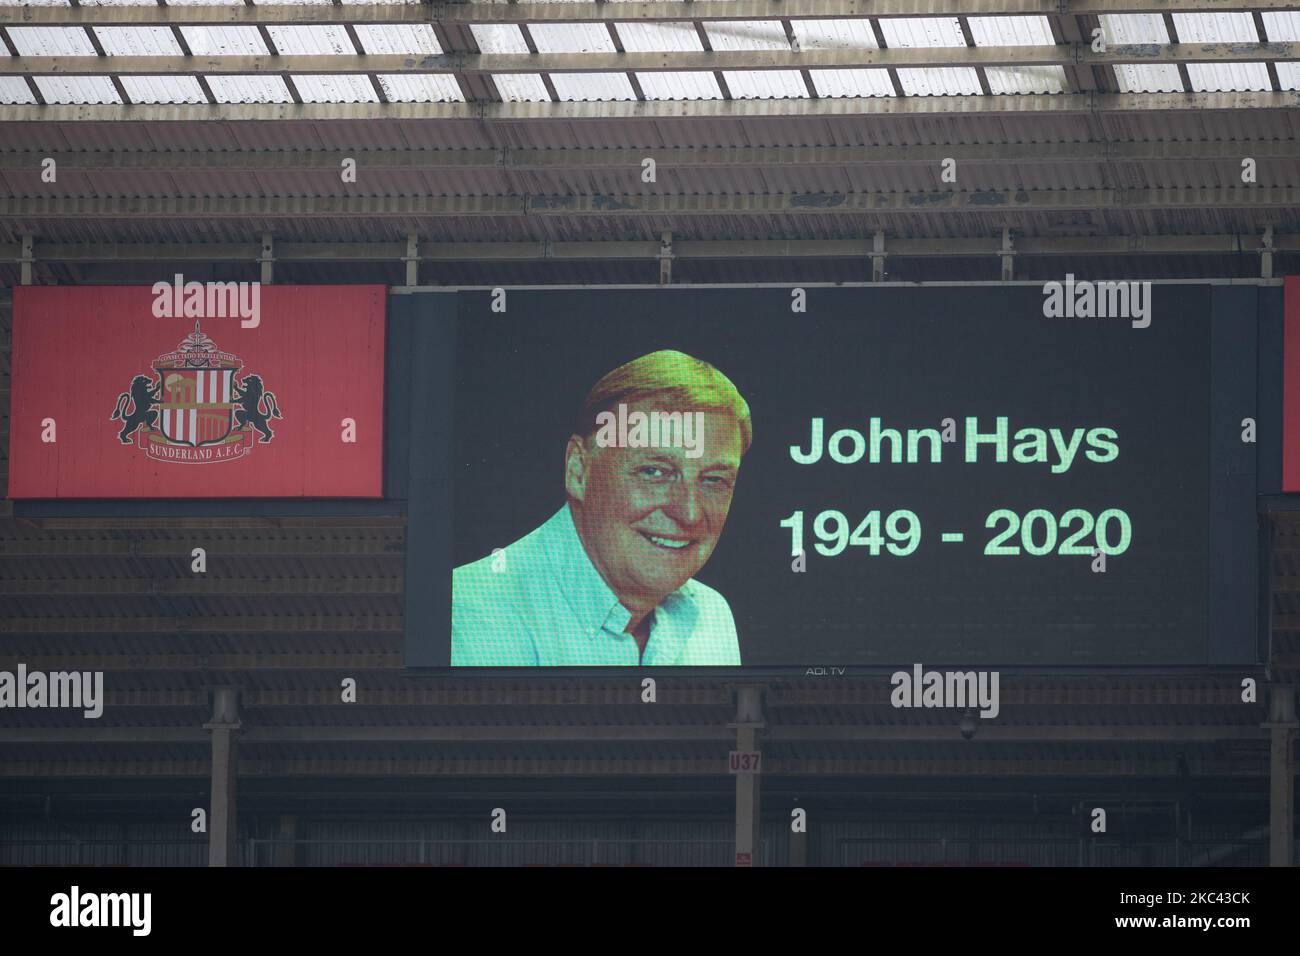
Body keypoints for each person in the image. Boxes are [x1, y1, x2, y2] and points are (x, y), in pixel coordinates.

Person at [451, 349, 752, 666]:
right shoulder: (472, 615)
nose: (689, 513)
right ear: (578, 469)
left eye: (714, 480)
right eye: (654, 472)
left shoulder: (710, 616)